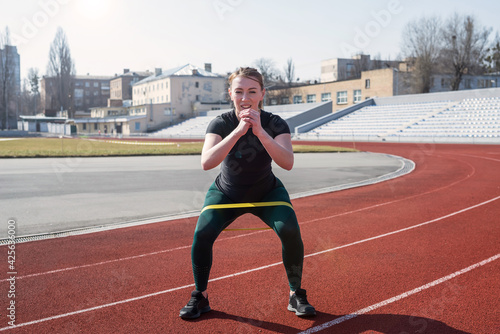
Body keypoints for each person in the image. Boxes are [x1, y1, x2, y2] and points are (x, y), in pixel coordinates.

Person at [179, 67, 316, 320]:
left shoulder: (275, 123)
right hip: (227, 192)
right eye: (239, 91)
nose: (245, 98)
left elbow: (287, 162)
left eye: (252, 91)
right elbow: (207, 162)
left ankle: (296, 293)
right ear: (230, 93)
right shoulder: (221, 122)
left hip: (267, 192)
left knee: (290, 230)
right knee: (202, 233)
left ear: (262, 93)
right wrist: (239, 131)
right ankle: (200, 295)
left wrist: (260, 131)